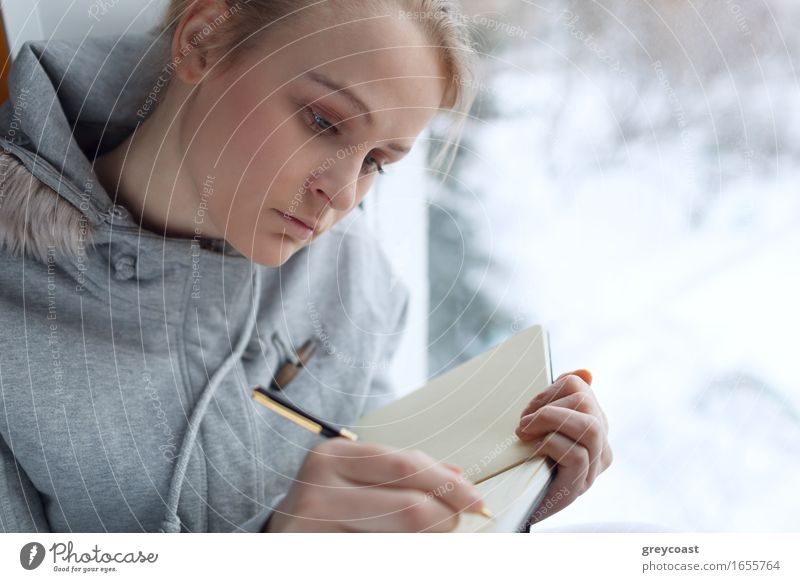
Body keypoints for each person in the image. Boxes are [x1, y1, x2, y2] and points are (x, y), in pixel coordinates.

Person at [0, 0, 611, 533]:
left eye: (377, 161)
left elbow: (380, 500)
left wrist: (503, 496)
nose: (343, 195)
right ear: (203, 40)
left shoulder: (356, 278)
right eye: (323, 121)